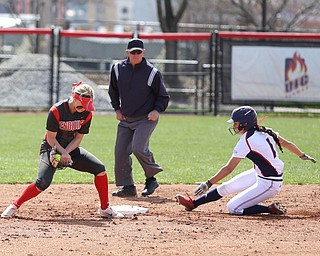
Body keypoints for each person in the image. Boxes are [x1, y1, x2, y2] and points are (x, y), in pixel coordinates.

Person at [1, 82, 123, 219]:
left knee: (100, 169)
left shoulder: (87, 114)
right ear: (75, 98)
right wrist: (62, 152)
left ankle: (105, 209)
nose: (84, 109)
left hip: (71, 147)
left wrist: (67, 152)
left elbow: (78, 138)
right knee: (42, 182)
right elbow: (50, 138)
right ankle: (14, 205)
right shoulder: (56, 111)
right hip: (50, 148)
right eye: (82, 105)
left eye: (87, 106)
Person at [176, 106, 316, 215]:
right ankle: (193, 203)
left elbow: (229, 168)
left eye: (236, 123)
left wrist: (208, 183)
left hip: (270, 182)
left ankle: (269, 209)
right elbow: (287, 143)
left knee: (233, 207)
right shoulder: (265, 130)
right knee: (226, 187)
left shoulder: (246, 141)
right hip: (258, 173)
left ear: (245, 123)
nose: (234, 126)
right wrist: (302, 155)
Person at [108, 38, 170, 197]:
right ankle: (128, 186)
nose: (136, 54)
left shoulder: (152, 72)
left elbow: (163, 96)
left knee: (138, 148)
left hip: (146, 118)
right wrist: (117, 108)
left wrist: (157, 110)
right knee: (120, 151)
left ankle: (151, 178)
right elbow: (112, 90)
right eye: (133, 52)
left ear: (144, 53)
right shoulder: (117, 69)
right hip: (125, 118)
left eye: (139, 52)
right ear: (127, 53)